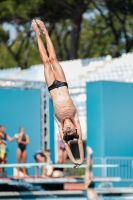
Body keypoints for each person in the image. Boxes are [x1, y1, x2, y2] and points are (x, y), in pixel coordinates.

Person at [31, 19, 84, 168]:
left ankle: (36, 33)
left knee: (46, 62)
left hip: (52, 88)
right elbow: (79, 141)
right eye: (70, 131)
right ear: (74, 129)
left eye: (66, 133)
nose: (68, 130)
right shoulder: (75, 118)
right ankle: (45, 32)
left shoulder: (59, 122)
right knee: (53, 59)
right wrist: (79, 159)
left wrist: (72, 159)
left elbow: (66, 144)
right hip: (62, 83)